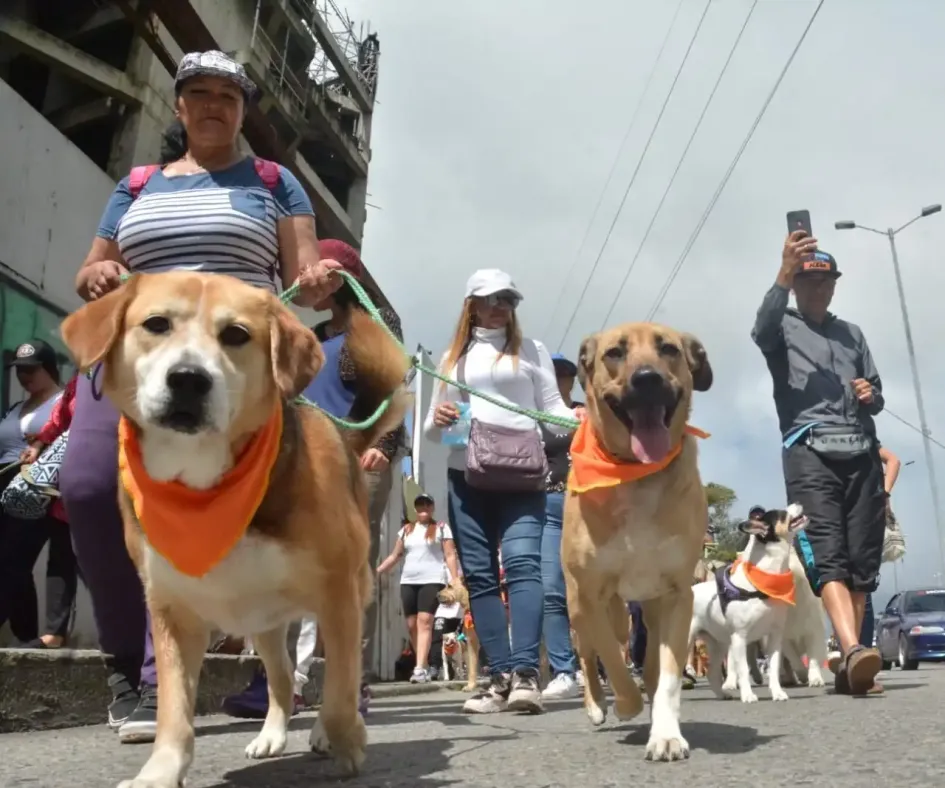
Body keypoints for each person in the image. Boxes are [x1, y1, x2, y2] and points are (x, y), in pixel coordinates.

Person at [60, 50, 344, 742]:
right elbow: (92, 268)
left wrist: (318, 284)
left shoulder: (274, 182)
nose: (215, 105)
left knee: (248, 510)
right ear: (179, 105)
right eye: (201, 93)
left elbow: (304, 273)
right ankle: (125, 667)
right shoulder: (136, 184)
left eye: (229, 96)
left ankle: (170, 687)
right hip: (144, 353)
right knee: (89, 488)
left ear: (242, 112)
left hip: (233, 365)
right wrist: (98, 277)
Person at [222, 239, 405, 718]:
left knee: (347, 571)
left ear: (340, 279)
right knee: (282, 563)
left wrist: (385, 445)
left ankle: (349, 684)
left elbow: (389, 383)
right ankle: (277, 682)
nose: (304, 283)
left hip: (359, 461)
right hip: (302, 462)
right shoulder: (313, 336)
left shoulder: (376, 323)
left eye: (316, 274)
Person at [424, 269, 576, 714]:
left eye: (508, 299)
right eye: (491, 299)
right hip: (466, 476)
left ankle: (526, 674)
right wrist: (441, 420)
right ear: (471, 304)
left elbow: (553, 410)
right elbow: (433, 430)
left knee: (525, 567)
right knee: (480, 576)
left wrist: (577, 420)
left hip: (523, 474)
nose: (500, 307)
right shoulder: (452, 358)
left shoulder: (532, 350)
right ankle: (499, 678)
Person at [751, 231, 886, 696]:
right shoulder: (782, 328)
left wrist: (870, 393)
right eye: (809, 282)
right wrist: (784, 271)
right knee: (827, 552)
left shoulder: (853, 334)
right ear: (796, 286)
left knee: (861, 558)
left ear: (834, 286)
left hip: (861, 451)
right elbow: (760, 330)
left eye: (826, 282)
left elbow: (877, 394)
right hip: (809, 451)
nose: (819, 289)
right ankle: (852, 650)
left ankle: (853, 663)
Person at [0, 341, 73, 647]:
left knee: (11, 560)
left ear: (49, 368)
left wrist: (40, 445)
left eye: (31, 369)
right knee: (16, 566)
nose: (24, 376)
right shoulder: (17, 408)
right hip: (6, 488)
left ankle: (39, 637)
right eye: (19, 370)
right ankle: (26, 636)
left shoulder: (64, 402)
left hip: (37, 491)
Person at [377, 493, 461, 683]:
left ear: (432, 507)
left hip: (432, 580)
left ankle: (420, 668)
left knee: (425, 621)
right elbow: (395, 555)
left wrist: (455, 580)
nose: (424, 507)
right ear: (415, 508)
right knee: (412, 625)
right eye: (420, 504)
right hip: (408, 581)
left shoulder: (441, 528)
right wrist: (377, 571)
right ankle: (425, 663)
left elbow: (449, 555)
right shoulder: (406, 530)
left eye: (427, 504)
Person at [539, 353, 583, 700]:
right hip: (548, 506)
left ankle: (596, 664)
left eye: (566, 373)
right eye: (551, 373)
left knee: (592, 591)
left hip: (588, 506)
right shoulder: (533, 416)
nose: (559, 378)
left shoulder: (589, 413)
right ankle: (563, 670)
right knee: (551, 590)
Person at [859, 442, 901, 648]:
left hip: (862, 521)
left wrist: (884, 493)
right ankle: (855, 650)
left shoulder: (860, 435)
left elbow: (893, 460)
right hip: (849, 520)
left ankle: (859, 651)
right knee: (854, 588)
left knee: (859, 587)